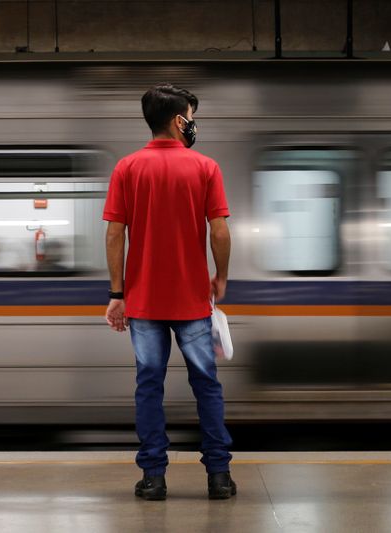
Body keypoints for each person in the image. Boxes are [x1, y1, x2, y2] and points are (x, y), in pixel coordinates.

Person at [102, 84, 235, 501]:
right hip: (193, 301)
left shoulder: (127, 167)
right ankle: (218, 477)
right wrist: (221, 276)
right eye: (192, 116)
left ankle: (154, 477)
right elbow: (219, 229)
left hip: (143, 302)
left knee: (149, 385)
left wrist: (117, 293)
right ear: (180, 120)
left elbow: (113, 234)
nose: (194, 124)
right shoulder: (205, 167)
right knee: (206, 384)